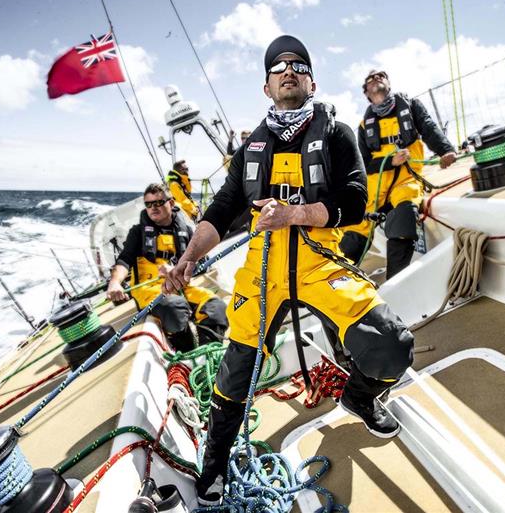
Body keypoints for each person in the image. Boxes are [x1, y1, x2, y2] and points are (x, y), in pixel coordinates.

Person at [163, 36, 414, 505]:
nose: (288, 70)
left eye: (298, 64)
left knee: (393, 346)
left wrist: (296, 214)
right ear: (266, 86)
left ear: (311, 80)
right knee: (234, 375)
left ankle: (359, 396)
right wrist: (188, 258)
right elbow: (220, 211)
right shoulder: (248, 151)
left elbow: (357, 202)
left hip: (321, 262)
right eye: (278, 67)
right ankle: (214, 466)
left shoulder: (338, 134)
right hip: (263, 272)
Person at [339, 69, 457, 279]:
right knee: (356, 225)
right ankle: (338, 276)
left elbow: (429, 128)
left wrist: (445, 150)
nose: (376, 78)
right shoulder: (364, 126)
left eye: (381, 76)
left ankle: (395, 281)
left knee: (403, 214)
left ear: (389, 84)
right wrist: (390, 162)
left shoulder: (411, 107)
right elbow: (364, 164)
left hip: (406, 180)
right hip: (376, 187)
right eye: (370, 79)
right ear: (366, 92)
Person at [107, 183, 226, 352]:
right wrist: (115, 283)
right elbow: (124, 261)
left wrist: (179, 270)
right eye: (148, 204)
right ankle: (187, 354)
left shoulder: (186, 232)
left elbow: (198, 262)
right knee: (175, 307)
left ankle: (209, 353)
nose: (153, 208)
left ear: (170, 203)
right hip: (150, 291)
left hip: (181, 287)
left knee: (215, 306)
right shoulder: (137, 233)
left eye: (158, 203)